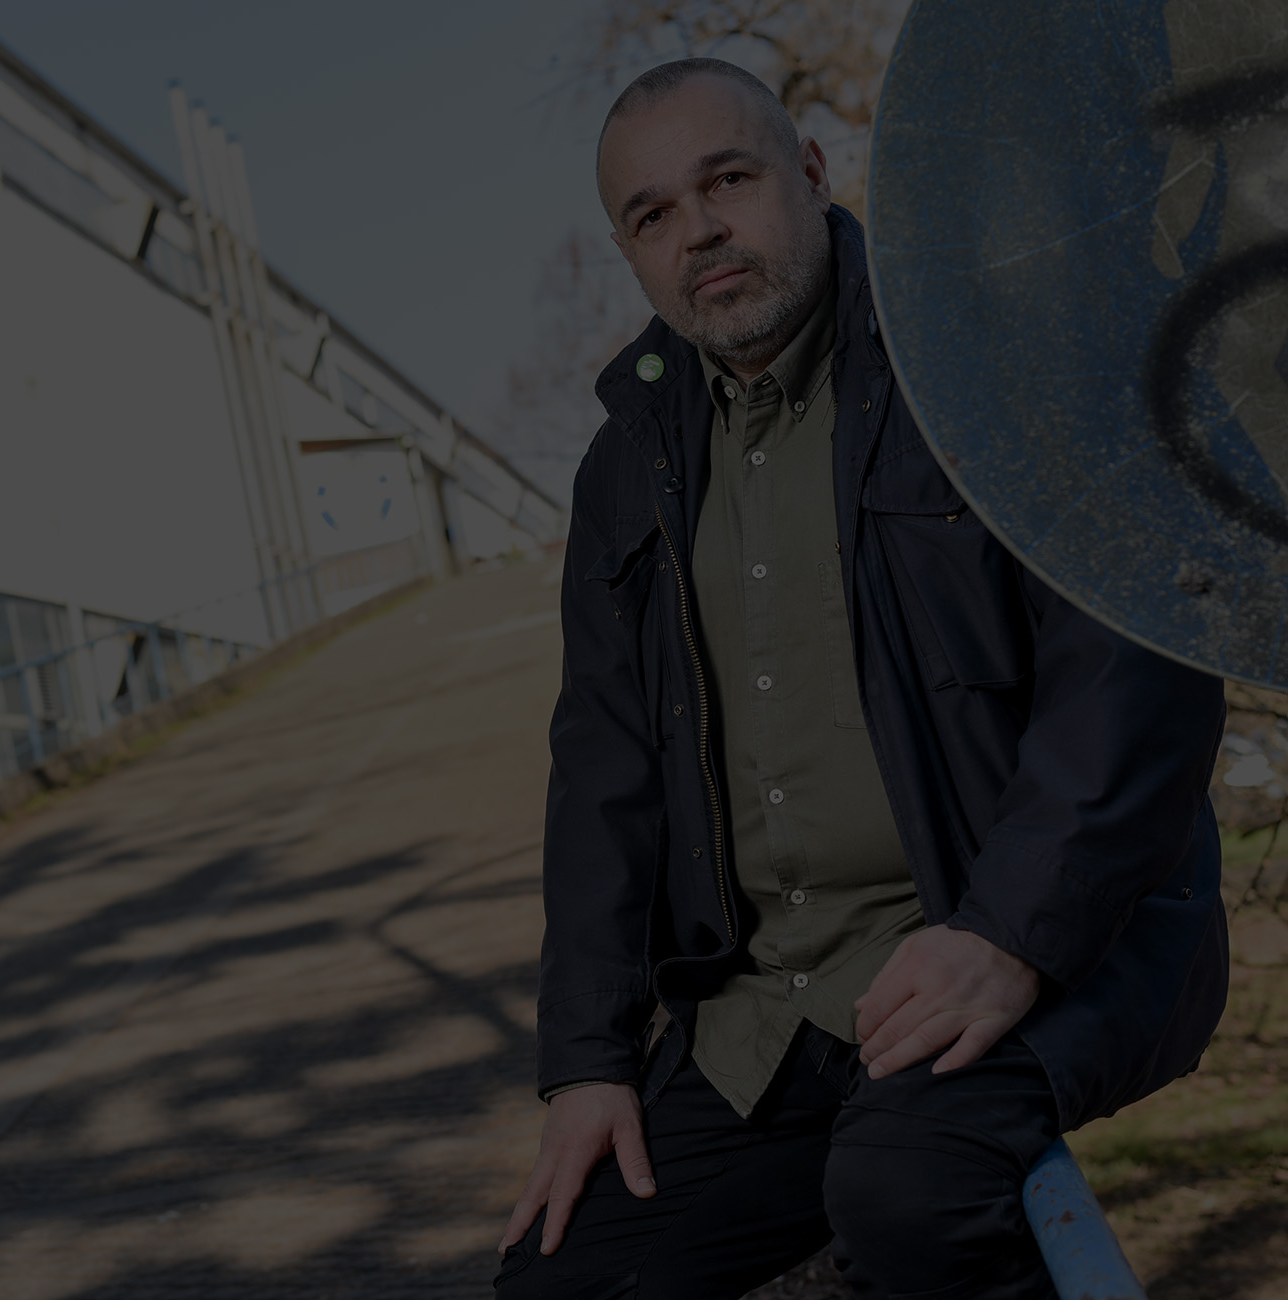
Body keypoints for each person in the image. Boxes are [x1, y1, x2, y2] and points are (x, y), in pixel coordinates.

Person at [496, 57, 1229, 1299]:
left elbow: (1133, 663)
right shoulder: (626, 463)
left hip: (1036, 935)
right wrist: (588, 1062)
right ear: (628, 251)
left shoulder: (990, 354)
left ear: (812, 172)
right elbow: (604, 771)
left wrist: (1009, 935)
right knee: (561, 1279)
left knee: (908, 1191)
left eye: (729, 180)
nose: (699, 231)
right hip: (772, 1006)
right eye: (653, 214)